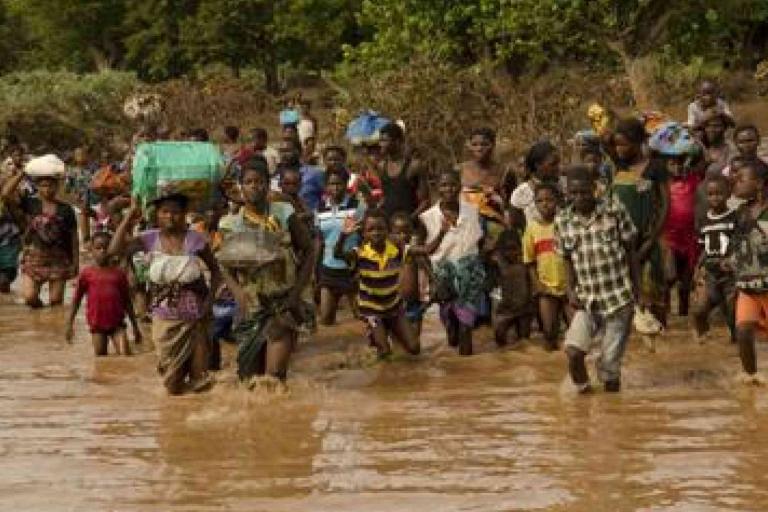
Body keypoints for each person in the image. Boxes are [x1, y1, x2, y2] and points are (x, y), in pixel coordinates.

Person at [110, 193, 222, 395]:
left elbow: (216, 271)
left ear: (185, 214)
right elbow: (114, 249)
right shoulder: (148, 239)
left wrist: (209, 302)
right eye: (165, 212)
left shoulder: (195, 240)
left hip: (195, 318)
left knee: (200, 382)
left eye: (176, 212)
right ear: (157, 215)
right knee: (172, 384)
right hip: (164, 320)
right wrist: (128, 217)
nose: (171, 217)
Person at [219, 159, 315, 382]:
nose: (255, 186)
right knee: (249, 380)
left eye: (260, 181)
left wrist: (296, 295)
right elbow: (224, 265)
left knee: (273, 378)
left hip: (283, 302)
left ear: (268, 185)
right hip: (251, 306)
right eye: (249, 182)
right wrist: (238, 294)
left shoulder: (284, 213)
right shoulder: (229, 224)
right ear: (240, 187)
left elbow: (309, 250)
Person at [556, 165, 639, 393]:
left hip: (618, 297)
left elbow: (631, 250)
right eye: (573, 193)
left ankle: (612, 413)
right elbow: (566, 258)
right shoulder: (563, 221)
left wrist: (638, 292)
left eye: (584, 192)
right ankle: (584, 396)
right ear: (567, 193)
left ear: (594, 189)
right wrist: (570, 290)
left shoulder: (613, 210)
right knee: (573, 352)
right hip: (586, 298)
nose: (579, 197)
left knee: (609, 368)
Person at [605, 117, 669, 326]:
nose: (620, 149)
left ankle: (663, 336)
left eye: (624, 144)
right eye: (617, 145)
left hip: (647, 236)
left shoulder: (656, 167)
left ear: (638, 142)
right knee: (626, 291)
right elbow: (604, 141)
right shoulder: (618, 165)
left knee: (653, 289)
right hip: (620, 240)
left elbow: (666, 204)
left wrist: (653, 238)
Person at [335, 208, 420, 358]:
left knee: (414, 348)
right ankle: (376, 336)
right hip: (372, 310)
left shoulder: (396, 249)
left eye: (380, 229)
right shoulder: (360, 252)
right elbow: (338, 254)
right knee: (385, 352)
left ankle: (389, 330)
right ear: (364, 233)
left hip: (394, 306)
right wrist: (343, 236)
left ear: (388, 231)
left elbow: (426, 250)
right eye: (371, 229)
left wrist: (442, 233)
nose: (376, 233)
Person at [419, 169, 485, 355]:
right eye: (443, 185)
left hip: (469, 278)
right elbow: (422, 254)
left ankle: (467, 375)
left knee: (466, 329)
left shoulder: (472, 211)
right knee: (452, 334)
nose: (449, 189)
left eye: (453, 184)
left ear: (460, 187)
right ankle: (450, 325)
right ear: (437, 188)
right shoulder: (427, 218)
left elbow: (479, 243)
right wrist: (432, 281)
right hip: (443, 278)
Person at [1, 160, 78, 308]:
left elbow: (73, 238)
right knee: (30, 298)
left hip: (59, 259)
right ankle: (39, 319)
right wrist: (23, 173)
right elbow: (5, 193)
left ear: (57, 187)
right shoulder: (31, 204)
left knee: (56, 302)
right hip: (34, 257)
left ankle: (50, 328)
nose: (47, 189)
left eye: (51, 185)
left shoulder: (66, 209)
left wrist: (75, 263)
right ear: (37, 187)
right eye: (43, 185)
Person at [65, 231, 142, 356]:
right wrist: (69, 324)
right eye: (98, 248)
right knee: (101, 358)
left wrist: (135, 327)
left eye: (106, 248)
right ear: (92, 250)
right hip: (97, 326)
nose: (102, 251)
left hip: (118, 325)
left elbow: (127, 302)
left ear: (112, 250)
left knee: (126, 356)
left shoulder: (119, 274)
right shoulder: (86, 274)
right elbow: (76, 300)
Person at [730, 162, 768, 382]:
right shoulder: (741, 212)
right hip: (748, 284)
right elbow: (736, 245)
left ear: (760, 183)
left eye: (741, 178)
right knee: (743, 331)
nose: (735, 181)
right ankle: (751, 378)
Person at [316, 168, 365, 325]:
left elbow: (365, 237)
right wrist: (315, 272)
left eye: (339, 183)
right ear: (326, 186)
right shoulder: (320, 208)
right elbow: (319, 241)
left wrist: (362, 265)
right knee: (326, 320)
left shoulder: (357, 206)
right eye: (331, 184)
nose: (335, 188)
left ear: (346, 184)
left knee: (363, 318)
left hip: (352, 269)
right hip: (328, 269)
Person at [692, 174, 738, 342]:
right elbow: (705, 248)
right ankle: (703, 335)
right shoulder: (704, 220)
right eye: (711, 194)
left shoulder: (734, 217)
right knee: (699, 308)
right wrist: (697, 267)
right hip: (710, 272)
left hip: (730, 273)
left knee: (732, 309)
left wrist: (732, 260)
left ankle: (735, 338)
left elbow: (739, 243)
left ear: (728, 194)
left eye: (719, 193)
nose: (715, 198)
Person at [523, 182, 568, 350]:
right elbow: (529, 262)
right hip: (546, 288)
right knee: (549, 333)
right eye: (540, 201)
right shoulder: (531, 229)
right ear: (535, 204)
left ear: (557, 201)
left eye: (549, 200)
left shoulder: (565, 223)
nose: (545, 204)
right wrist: (538, 285)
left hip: (568, 286)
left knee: (577, 333)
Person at [458, 127, 510, 245]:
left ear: (493, 145)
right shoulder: (460, 170)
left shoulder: (504, 172)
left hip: (495, 230)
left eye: (484, 144)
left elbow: (509, 205)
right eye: (474, 144)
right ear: (469, 146)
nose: (479, 148)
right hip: (465, 229)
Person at [389, 211, 430, 337]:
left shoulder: (415, 250)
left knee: (415, 340)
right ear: (391, 234)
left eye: (407, 232)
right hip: (393, 304)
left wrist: (429, 295)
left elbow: (427, 271)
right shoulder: (388, 253)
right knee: (397, 340)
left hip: (415, 302)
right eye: (398, 233)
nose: (403, 236)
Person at [378, 122, 429, 220]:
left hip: (410, 228)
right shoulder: (382, 166)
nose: (381, 144)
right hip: (389, 227)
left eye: (384, 140)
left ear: (397, 142)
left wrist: (409, 220)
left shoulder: (414, 166)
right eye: (380, 140)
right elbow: (386, 198)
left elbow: (425, 202)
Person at [492, 230, 533, 346]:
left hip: (525, 308)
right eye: (507, 249)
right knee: (499, 338)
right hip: (506, 308)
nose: (511, 253)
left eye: (514, 249)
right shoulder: (498, 262)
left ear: (520, 248)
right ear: (501, 250)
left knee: (524, 342)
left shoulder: (525, 262)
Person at [510, 140, 561, 226]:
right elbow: (517, 227)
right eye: (553, 164)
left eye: (558, 163)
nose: (558, 168)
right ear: (538, 165)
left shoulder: (563, 187)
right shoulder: (521, 193)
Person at [698, 109, 736, 176]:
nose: (711, 129)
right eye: (708, 126)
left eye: (716, 126)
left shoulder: (731, 149)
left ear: (725, 128)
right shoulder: (701, 148)